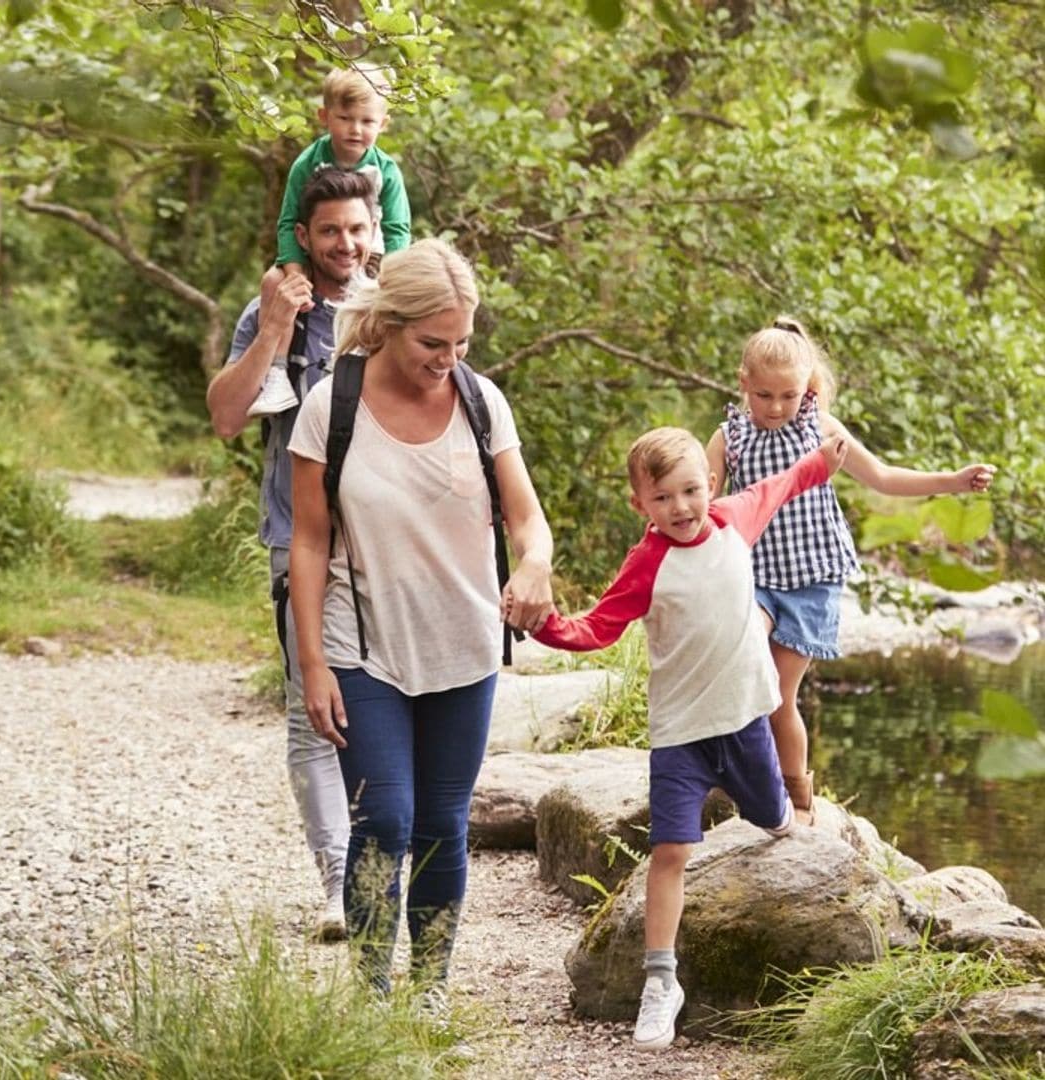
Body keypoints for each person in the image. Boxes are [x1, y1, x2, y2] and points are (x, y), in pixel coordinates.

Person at [286, 238, 554, 995]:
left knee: (443, 823)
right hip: (361, 648)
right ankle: (372, 997)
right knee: (387, 821)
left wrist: (534, 563)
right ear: (389, 325)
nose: (449, 357)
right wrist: (312, 663)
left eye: (462, 341)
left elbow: (528, 519)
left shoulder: (480, 402)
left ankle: (429, 990)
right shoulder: (329, 407)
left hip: (463, 644)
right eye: (433, 342)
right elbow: (309, 543)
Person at [534, 425, 848, 1051]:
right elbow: (597, 627)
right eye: (663, 498)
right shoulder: (647, 563)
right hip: (681, 735)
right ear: (640, 506)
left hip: (745, 722)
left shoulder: (734, 519)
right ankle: (661, 980)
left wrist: (819, 463)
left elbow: (780, 486)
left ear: (709, 484)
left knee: (773, 822)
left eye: (689, 491)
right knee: (671, 851)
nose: (680, 507)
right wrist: (540, 623)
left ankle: (791, 808)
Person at [705, 316, 996, 824]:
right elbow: (701, 503)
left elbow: (882, 477)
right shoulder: (729, 437)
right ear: (743, 382)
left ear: (808, 388)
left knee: (778, 694)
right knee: (745, 672)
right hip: (754, 578)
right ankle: (742, 778)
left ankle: (797, 798)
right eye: (765, 395)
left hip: (812, 580)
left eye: (788, 396)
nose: (776, 407)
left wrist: (952, 481)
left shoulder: (821, 429)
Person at [207, 168, 378, 941]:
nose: (346, 244)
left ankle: (385, 862)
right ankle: (340, 883)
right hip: (296, 537)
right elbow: (225, 419)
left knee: (385, 705)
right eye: (331, 231)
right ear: (304, 238)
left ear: (375, 233)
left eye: (358, 229)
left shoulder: (393, 311)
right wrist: (275, 327)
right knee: (314, 716)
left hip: (387, 542)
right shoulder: (272, 312)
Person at [249, 64, 412, 417]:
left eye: (367, 122)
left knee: (390, 305)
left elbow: (399, 230)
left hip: (372, 255)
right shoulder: (307, 163)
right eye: (345, 118)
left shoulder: (386, 171)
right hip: (313, 253)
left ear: (383, 124)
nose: (356, 130)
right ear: (325, 116)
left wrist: (392, 275)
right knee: (275, 283)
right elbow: (289, 220)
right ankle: (277, 375)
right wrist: (294, 271)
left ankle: (383, 377)